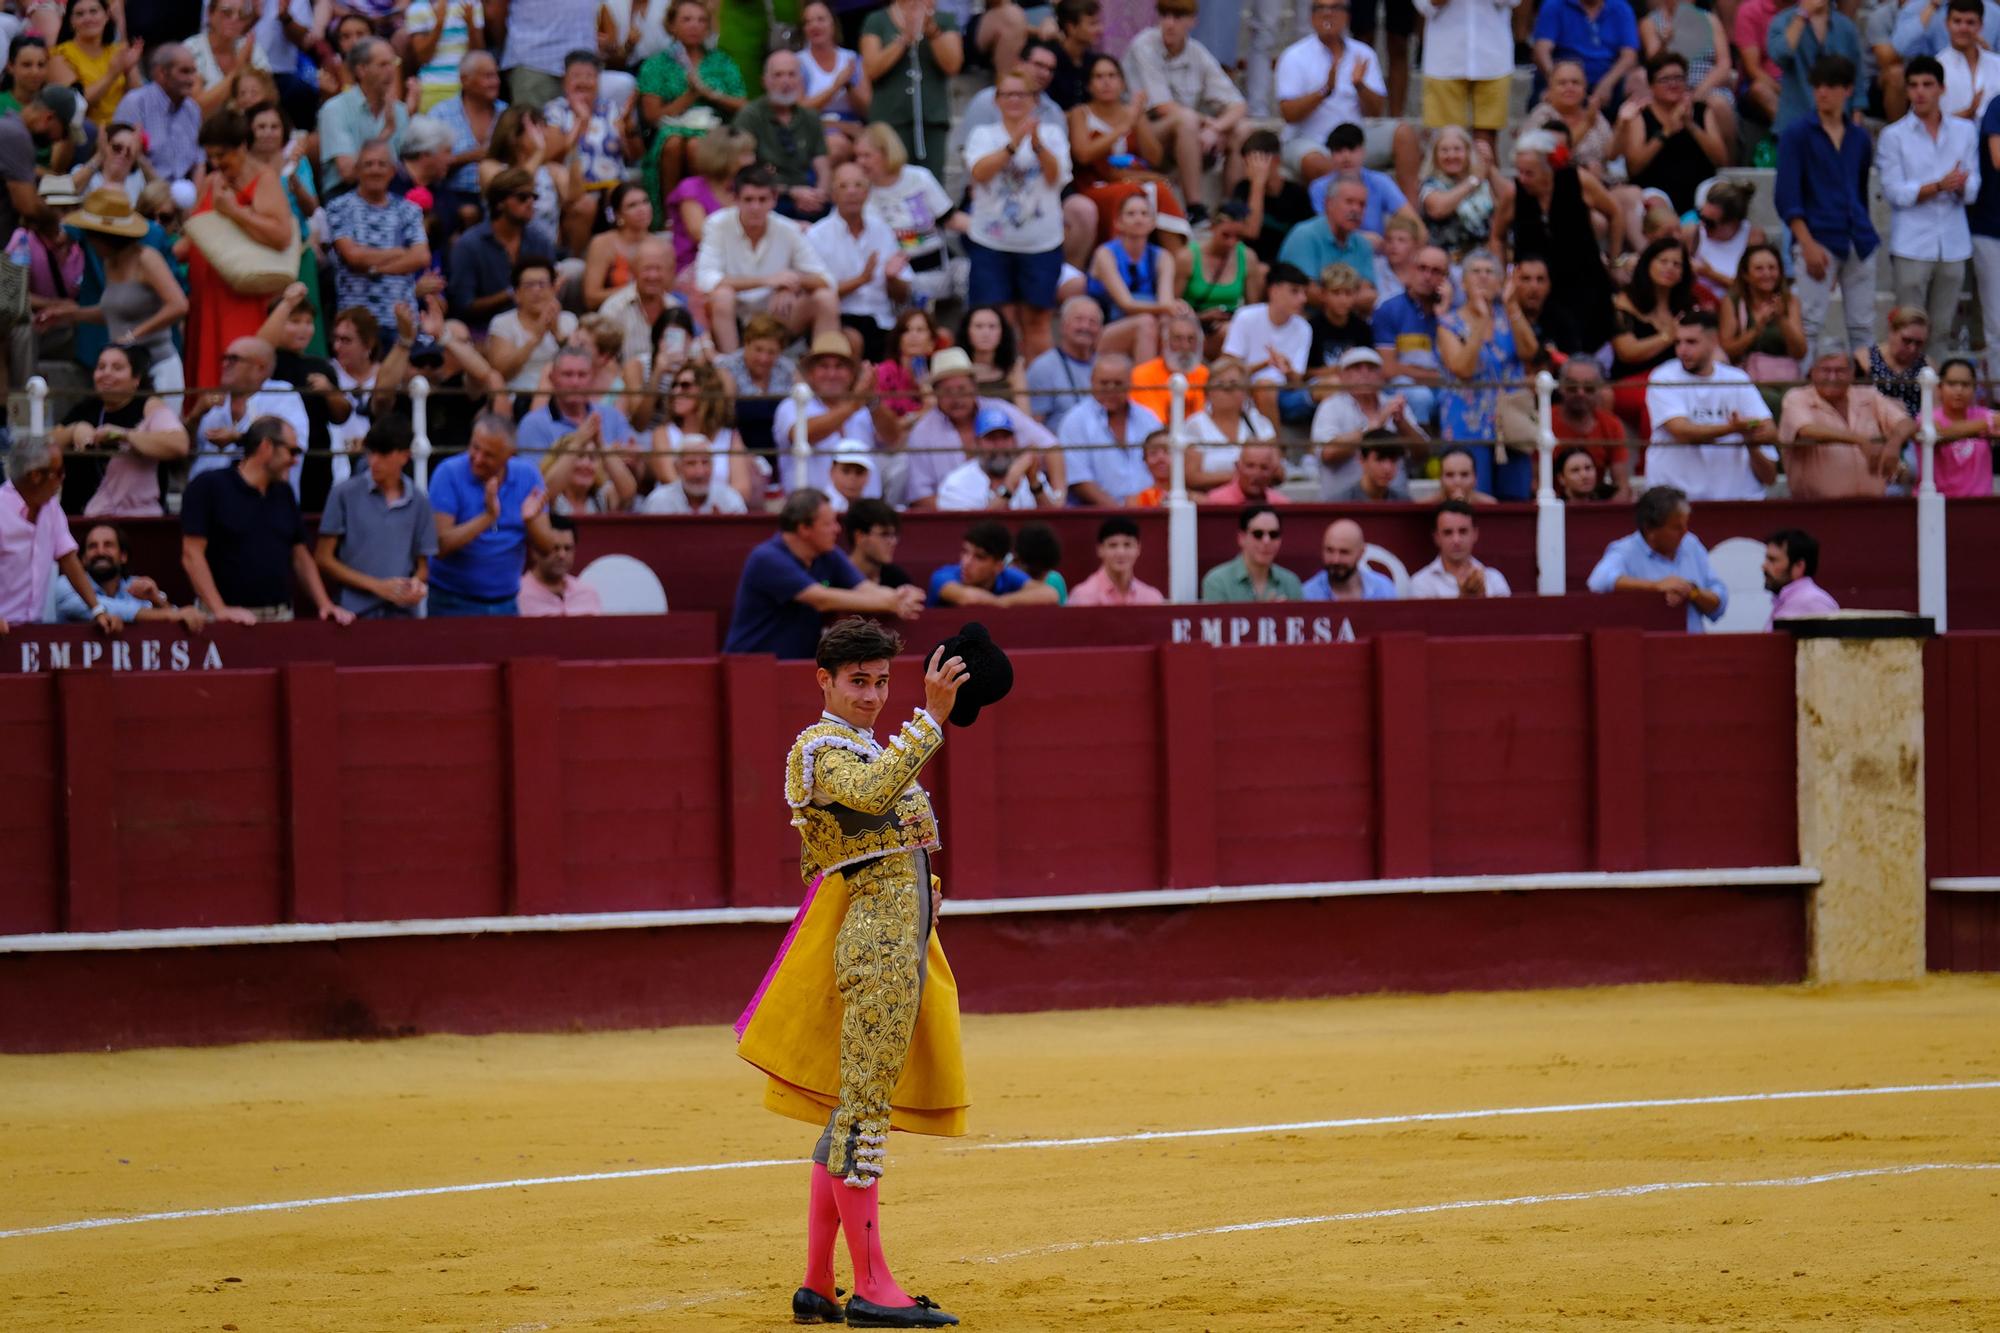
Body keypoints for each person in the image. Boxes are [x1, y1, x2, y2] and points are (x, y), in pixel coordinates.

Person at [734, 614, 970, 1330]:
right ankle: (872, 1283)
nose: (871, 695)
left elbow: (888, 823)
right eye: (858, 682)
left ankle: (816, 1280)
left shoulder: (862, 743)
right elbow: (869, 793)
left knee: (851, 1105)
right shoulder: (818, 749)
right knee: (866, 1114)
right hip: (876, 945)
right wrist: (929, 718)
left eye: (880, 681)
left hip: (897, 937)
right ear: (825, 681)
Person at [179, 416, 351, 625]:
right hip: (225, 621)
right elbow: (192, 554)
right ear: (267, 447)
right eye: (292, 451)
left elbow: (300, 555)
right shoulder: (209, 486)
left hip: (279, 617)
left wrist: (324, 604)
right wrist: (220, 610)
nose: (295, 460)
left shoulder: (284, 492)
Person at [723, 488, 926, 655]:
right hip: (750, 666)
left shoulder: (827, 554)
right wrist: (892, 602)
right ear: (804, 528)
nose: (837, 529)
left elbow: (865, 588)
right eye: (829, 524)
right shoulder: (767, 558)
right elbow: (822, 599)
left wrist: (900, 595)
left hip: (795, 665)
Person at [180, 108, 294, 397]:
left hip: (238, 297)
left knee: (235, 370)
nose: (216, 162)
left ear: (242, 146)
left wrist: (234, 212)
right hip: (204, 299)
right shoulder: (211, 181)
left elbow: (281, 236)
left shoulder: (265, 180)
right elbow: (190, 239)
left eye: (222, 155)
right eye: (211, 156)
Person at [965, 68, 1073, 361]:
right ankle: (1002, 389)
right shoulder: (983, 135)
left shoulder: (1052, 135)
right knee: (998, 322)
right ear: (996, 101)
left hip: (1041, 245)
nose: (1014, 100)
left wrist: (1036, 143)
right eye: (1007, 94)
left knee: (1038, 322)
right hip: (991, 244)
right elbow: (979, 172)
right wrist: (1014, 145)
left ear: (1034, 100)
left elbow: (1056, 177)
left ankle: (1039, 395)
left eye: (1021, 94)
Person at [1879, 54, 1980, 358]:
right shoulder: (1892, 135)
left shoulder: (1964, 131)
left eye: (1927, 84)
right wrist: (1938, 185)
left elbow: (1974, 187)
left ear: (1942, 89)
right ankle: (1906, 397)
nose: (1920, 92)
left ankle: (1935, 402)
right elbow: (1894, 191)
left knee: (1942, 329)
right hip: (1912, 242)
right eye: (1913, 85)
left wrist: (1959, 185)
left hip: (1953, 241)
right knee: (1907, 329)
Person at [1119, 0, 1247, 217]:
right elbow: (1162, 107)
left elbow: (1238, 104)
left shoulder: (1196, 51)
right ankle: (1195, 206)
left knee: (1242, 129)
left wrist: (1216, 128)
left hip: (1189, 136)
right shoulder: (1144, 45)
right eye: (1164, 15)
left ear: (1192, 21)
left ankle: (1230, 207)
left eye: (1177, 17)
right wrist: (1207, 124)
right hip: (1144, 134)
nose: (1169, 24)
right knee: (1186, 120)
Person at [696, 165, 840, 354]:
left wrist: (790, 283)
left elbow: (827, 280)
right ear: (735, 200)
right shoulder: (717, 224)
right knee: (722, 296)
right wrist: (767, 281)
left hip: (777, 316)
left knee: (826, 298)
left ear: (774, 200)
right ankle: (731, 369)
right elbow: (705, 280)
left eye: (762, 199)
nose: (755, 207)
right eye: (748, 200)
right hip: (734, 318)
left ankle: (825, 368)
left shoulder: (787, 229)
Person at [1499, 130, 1618, 357]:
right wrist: (1505, 272)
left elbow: (1615, 212)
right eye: (1520, 172)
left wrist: (1613, 259)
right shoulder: (1514, 193)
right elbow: (1497, 235)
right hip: (1539, 285)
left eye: (1529, 173)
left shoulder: (1578, 181)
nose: (1523, 178)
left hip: (1583, 278)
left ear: (1548, 168)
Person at [426, 412, 557, 617]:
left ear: (509, 454)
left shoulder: (528, 476)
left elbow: (548, 548)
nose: (477, 458)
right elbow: (440, 546)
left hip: (507, 601)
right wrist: (487, 517)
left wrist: (530, 522)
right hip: (451, 601)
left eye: (488, 455)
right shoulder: (448, 473)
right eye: (475, 447)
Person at [1646, 308, 1779, 500]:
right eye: (1677, 342)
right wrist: (1734, 428)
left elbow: (1768, 428)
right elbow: (1681, 431)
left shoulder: (1737, 378)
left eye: (1691, 342)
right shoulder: (1663, 377)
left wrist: (1748, 427)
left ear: (1714, 341)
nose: (1681, 350)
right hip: (1676, 503)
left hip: (1735, 500)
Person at [314, 415, 436, 619]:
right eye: (371, 453)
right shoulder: (343, 494)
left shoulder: (419, 501)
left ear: (404, 456)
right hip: (352, 615)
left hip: (402, 614)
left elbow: (422, 567)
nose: (374, 461)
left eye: (384, 454)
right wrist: (377, 587)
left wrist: (415, 585)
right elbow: (323, 558)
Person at [1437, 251, 1537, 500]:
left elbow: (1529, 351)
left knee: (1515, 497)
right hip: (1467, 425)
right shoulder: (1449, 323)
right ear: (1463, 282)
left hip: (1509, 423)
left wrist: (1512, 305)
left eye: (1490, 272)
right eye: (1476, 271)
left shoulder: (1508, 317)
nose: (1483, 277)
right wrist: (1481, 322)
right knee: (1474, 498)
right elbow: (1462, 368)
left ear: (1500, 281)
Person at [0, 434, 123, 634]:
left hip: (32, 632)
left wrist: (97, 610)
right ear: (36, 476)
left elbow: (69, 560)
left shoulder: (51, 508)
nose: (63, 478)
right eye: (59, 472)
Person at [52, 342, 188, 518]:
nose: (106, 373)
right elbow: (45, 444)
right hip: (80, 518)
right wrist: (73, 431)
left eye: (117, 368)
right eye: (101, 367)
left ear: (136, 379)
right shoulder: (86, 408)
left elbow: (179, 444)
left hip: (135, 520)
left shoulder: (149, 406)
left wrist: (124, 436)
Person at [635, 0, 746, 211]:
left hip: (714, 129)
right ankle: (671, 211)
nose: (694, 25)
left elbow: (742, 103)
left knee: (697, 145)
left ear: (707, 27)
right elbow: (652, 115)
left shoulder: (721, 61)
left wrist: (710, 94)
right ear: (672, 26)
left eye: (701, 20)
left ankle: (705, 208)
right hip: (669, 129)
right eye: (686, 20)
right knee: (674, 142)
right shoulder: (656, 64)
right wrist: (690, 96)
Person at [772, 332, 901, 495]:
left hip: (865, 513)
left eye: (839, 366)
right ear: (811, 374)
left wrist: (872, 400)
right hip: (811, 514)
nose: (832, 374)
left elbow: (894, 439)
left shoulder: (867, 408)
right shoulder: (793, 404)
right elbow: (803, 434)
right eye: (824, 366)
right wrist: (854, 404)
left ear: (851, 373)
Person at [1585, 483, 1726, 631]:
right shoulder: (1627, 550)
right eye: (1676, 527)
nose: (1684, 532)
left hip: (1693, 647)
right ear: (1650, 530)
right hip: (1648, 648)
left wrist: (1693, 592)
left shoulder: (1691, 544)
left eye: (1685, 525)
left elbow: (1719, 601)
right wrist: (1654, 586)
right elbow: (1597, 581)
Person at [1776, 342, 1909, 499]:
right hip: (1816, 509)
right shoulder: (1796, 398)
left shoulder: (1869, 395)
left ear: (1852, 373)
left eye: (1840, 371)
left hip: (1873, 506)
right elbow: (1806, 430)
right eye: (1825, 370)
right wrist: (1859, 440)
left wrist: (1895, 443)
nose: (1832, 377)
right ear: (1812, 371)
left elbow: (1906, 423)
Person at [325, 138, 431, 335]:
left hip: (401, 321)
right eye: (368, 164)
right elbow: (353, 256)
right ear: (357, 170)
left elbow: (421, 257)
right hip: (355, 324)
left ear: (392, 171)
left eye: (382, 164)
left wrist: (373, 268)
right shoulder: (339, 207)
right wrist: (400, 252)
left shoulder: (409, 210)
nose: (375, 170)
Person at [1274, 0, 1385, 184]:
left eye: (1335, 8)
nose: (1327, 14)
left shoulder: (1364, 54)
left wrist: (1360, 86)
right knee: (1317, 163)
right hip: (1310, 141)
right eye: (1321, 8)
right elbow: (1288, 114)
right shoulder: (1294, 56)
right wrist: (1324, 91)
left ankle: (1409, 209)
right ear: (1311, 16)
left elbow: (1377, 111)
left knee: (1404, 136)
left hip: (1356, 139)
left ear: (1347, 15)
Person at [809, 162, 908, 362]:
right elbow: (815, 296)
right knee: (852, 340)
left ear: (868, 192)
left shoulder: (882, 231)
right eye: (844, 186)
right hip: (842, 318)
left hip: (883, 319)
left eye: (858, 185)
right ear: (833, 193)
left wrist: (892, 278)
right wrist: (861, 279)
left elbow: (903, 294)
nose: (852, 192)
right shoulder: (817, 235)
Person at [853, 123, 958, 311]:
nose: (860, 162)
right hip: (895, 277)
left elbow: (950, 218)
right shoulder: (861, 193)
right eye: (857, 156)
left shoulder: (919, 177)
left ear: (887, 152)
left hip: (936, 267)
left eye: (867, 155)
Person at [188, 336, 311, 491]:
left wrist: (240, 438)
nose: (225, 364)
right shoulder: (212, 401)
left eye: (233, 359)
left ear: (259, 367)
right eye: (224, 358)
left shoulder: (281, 394)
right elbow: (184, 453)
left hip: (263, 500)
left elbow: (294, 446)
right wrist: (195, 415)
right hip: (207, 499)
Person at [859, 0, 962, 183]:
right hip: (890, 118)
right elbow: (871, 69)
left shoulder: (944, 20)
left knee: (932, 183)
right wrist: (905, 38)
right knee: (891, 180)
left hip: (931, 118)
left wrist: (933, 32)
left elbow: (953, 65)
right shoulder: (876, 20)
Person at [1312, 345, 1426, 498]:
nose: (1364, 373)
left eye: (1371, 368)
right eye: (1356, 368)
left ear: (1382, 376)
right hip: (1342, 507)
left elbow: (1423, 454)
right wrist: (1375, 424)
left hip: (1393, 504)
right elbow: (1327, 453)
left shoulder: (1395, 405)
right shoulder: (1330, 407)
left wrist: (1402, 424)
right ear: (1342, 376)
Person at [51, 522, 204, 628]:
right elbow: (103, 608)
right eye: (92, 546)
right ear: (83, 559)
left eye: (108, 545)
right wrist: (171, 615)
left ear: (123, 556)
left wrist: (158, 601)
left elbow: (172, 616)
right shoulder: (66, 585)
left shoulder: (136, 586)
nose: (101, 552)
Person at [1058, 351, 1163, 504]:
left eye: (1118, 383)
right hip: (1098, 516)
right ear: (1092, 382)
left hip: (1150, 509)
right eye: (1104, 383)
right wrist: (1120, 514)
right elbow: (1079, 481)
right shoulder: (1075, 421)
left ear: (1130, 383)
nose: (1111, 389)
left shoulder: (1148, 418)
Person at [1718, 242, 1807, 415]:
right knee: (1770, 401)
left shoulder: (1790, 301)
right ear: (1746, 274)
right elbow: (1729, 349)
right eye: (1759, 269)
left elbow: (1800, 351)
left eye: (1772, 268)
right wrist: (1757, 329)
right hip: (1750, 378)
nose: (1767, 274)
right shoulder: (1733, 301)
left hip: (1787, 378)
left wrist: (1782, 319)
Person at [1222, 261, 1314, 425]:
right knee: (1265, 386)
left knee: (1333, 386)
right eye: (1295, 291)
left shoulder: (1304, 328)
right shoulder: (1245, 317)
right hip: (1248, 391)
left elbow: (1296, 382)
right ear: (1274, 290)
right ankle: (1276, 448)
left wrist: (1287, 369)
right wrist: (1265, 364)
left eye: (1304, 292)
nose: (1303, 299)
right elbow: (1227, 370)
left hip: (1287, 395)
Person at [318, 37, 409, 193]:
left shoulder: (399, 110)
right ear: (361, 70)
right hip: (346, 193)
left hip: (390, 191)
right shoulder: (335, 109)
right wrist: (385, 134)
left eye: (392, 63)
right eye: (383, 65)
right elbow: (348, 174)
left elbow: (406, 165)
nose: (391, 71)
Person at [477, 105, 574, 244]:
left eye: (544, 126)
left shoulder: (553, 171)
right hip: (499, 250)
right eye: (536, 128)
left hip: (544, 255)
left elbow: (574, 203)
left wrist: (573, 150)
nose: (545, 134)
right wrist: (538, 153)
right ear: (514, 135)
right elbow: (513, 189)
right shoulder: (489, 167)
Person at [1767, 0, 1866, 132]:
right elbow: (1780, 56)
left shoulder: (1846, 28)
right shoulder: (1782, 21)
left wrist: (1856, 121)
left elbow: (1857, 78)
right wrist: (1802, 15)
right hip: (1795, 126)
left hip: (1838, 127)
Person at [1532, 0, 1640, 117]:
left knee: (1637, 87)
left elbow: (1629, 56)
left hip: (1607, 79)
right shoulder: (1554, 5)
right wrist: (1556, 82)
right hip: (1565, 75)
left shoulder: (1621, 8)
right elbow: (1541, 51)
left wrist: (1607, 84)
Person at [1550, 357, 1635, 499]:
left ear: (1599, 389)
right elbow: (1535, 482)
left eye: (1589, 388)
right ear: (1561, 387)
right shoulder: (1544, 420)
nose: (1580, 393)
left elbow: (1622, 486)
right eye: (1572, 387)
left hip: (1595, 509)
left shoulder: (1611, 425)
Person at [49, 0, 137, 128]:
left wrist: (128, 71)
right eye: (80, 14)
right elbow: (75, 104)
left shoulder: (117, 52)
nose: (88, 18)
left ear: (107, 15)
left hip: (123, 128)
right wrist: (111, 75)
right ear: (71, 21)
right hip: (86, 132)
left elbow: (137, 98)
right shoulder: (60, 56)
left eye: (94, 11)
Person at [1923, 354, 1999, 495]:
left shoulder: (1983, 414)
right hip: (1938, 504)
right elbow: (1941, 432)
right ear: (1939, 387)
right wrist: (1987, 424)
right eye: (1951, 384)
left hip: (1979, 505)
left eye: (1965, 384)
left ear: (1975, 388)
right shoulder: (1926, 418)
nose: (1959, 390)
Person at [927, 519, 1051, 605]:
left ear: (998, 566)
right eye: (965, 552)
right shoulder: (943, 575)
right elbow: (967, 598)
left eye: (979, 557)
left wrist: (1002, 602)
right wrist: (1000, 602)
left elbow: (1050, 594)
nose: (966, 562)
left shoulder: (1007, 575)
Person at [1200, 503, 1303, 602]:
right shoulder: (1218, 581)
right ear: (1241, 538)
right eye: (1258, 534)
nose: (1266, 541)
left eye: (1273, 534)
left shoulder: (1291, 582)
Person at [1409, 499, 1511, 599]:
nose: (1456, 540)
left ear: (1475, 534)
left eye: (1463, 531)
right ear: (1436, 537)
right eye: (1448, 532)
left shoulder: (1494, 579)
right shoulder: (1421, 582)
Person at [1025, 296, 1101, 424]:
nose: (1085, 327)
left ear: (1100, 329)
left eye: (1092, 322)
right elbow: (1034, 426)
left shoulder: (1104, 366)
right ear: (1063, 326)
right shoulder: (1043, 368)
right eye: (1078, 320)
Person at [515, 512, 603, 616]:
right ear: (534, 550)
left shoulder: (587, 593)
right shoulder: (517, 596)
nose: (562, 555)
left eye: (568, 548)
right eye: (554, 548)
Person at [1064, 513, 1162, 606]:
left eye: (1127, 545)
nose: (1120, 552)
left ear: (1138, 548)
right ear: (1100, 549)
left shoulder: (1152, 598)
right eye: (1113, 545)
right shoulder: (1083, 597)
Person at [1857, 305, 1932, 418]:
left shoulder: (1927, 366)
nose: (1912, 349)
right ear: (1891, 331)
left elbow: (1935, 409)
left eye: (1919, 344)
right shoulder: (1865, 359)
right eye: (1906, 340)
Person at [1301, 516, 1394, 600]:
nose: (1335, 560)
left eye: (1344, 552)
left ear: (1361, 553)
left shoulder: (1383, 589)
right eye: (1330, 550)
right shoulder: (1307, 595)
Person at [1763, 527, 1841, 625]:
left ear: (1799, 566)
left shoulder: (1814, 602)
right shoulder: (1786, 600)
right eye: (1766, 559)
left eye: (1773, 560)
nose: (1764, 566)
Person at [956, 304, 1029, 407]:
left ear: (1002, 332)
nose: (986, 333)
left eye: (992, 326)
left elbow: (1024, 413)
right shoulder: (955, 368)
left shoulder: (1014, 368)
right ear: (967, 332)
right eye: (978, 326)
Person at [1200, 441, 1290, 506]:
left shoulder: (1281, 505)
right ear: (1237, 467)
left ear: (1273, 471)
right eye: (1250, 466)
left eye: (1264, 468)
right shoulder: (1215, 502)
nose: (1257, 474)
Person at [1333, 439, 1413, 501]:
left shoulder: (1405, 503)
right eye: (1379, 459)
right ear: (1362, 459)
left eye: (1393, 460)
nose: (1387, 468)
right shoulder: (1338, 504)